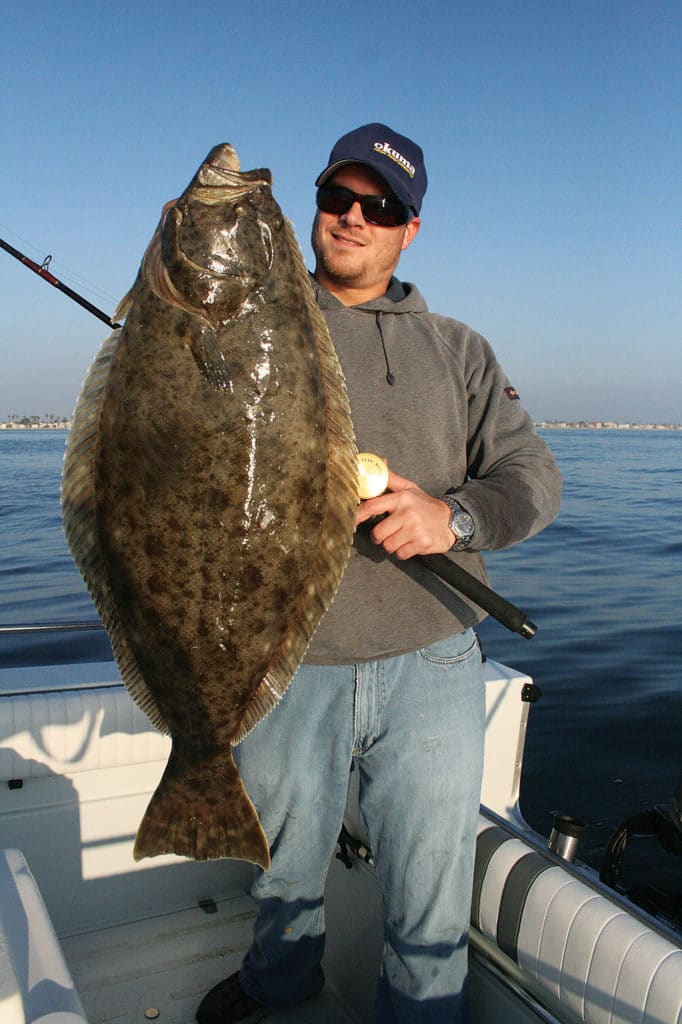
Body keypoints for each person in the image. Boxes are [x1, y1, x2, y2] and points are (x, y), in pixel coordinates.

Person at [196, 123, 562, 1024]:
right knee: (283, 876)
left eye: (381, 206)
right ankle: (277, 997)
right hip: (289, 659)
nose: (354, 218)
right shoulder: (250, 331)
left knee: (430, 896)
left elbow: (532, 479)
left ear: (410, 229)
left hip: (432, 659)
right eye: (338, 199)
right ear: (314, 209)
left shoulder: (458, 349)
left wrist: (454, 517)